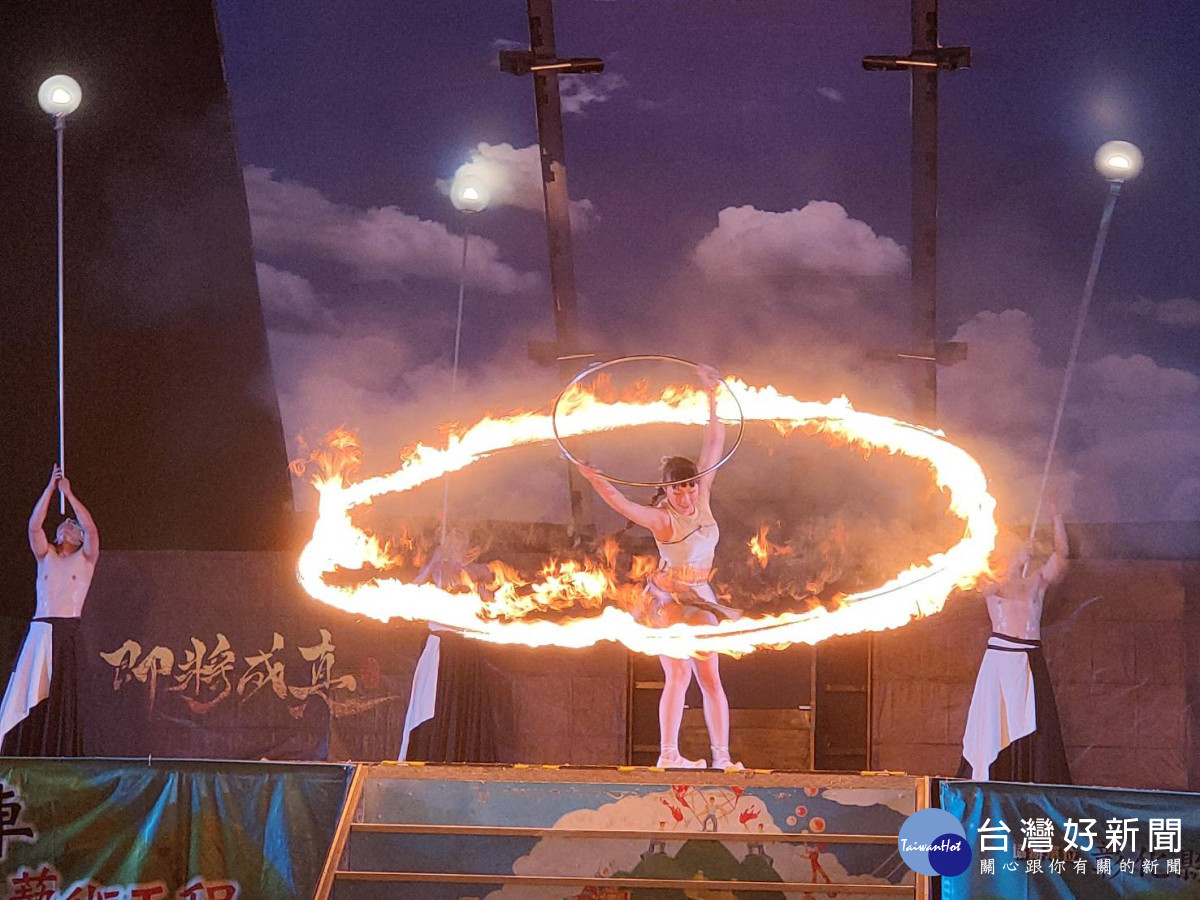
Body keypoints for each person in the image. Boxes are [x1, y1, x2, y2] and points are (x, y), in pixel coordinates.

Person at [573, 364, 743, 770]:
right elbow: (623, 505)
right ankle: (669, 755)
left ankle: (721, 758)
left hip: (700, 594)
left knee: (711, 679)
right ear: (665, 490)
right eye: (677, 488)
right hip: (666, 596)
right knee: (679, 676)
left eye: (689, 486)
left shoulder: (703, 497)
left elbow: (715, 440)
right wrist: (596, 480)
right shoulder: (662, 518)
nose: (685, 494)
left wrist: (712, 395)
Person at [958, 509, 1071, 783]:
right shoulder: (990, 582)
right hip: (1000, 659)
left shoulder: (1036, 583)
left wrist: (1056, 516)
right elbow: (970, 575)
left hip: (1030, 657)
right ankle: (991, 777)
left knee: (1036, 724)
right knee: (995, 724)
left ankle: (1035, 781)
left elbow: (1062, 554)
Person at [0, 466, 100, 756]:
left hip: (66, 630)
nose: (68, 523)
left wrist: (68, 493)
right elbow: (33, 526)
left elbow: (91, 528)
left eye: (74, 525)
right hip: (40, 628)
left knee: (62, 695)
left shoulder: (86, 558)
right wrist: (49, 489)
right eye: (65, 523)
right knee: (26, 692)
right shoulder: (46, 556)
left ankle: (61, 750)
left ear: (80, 538)